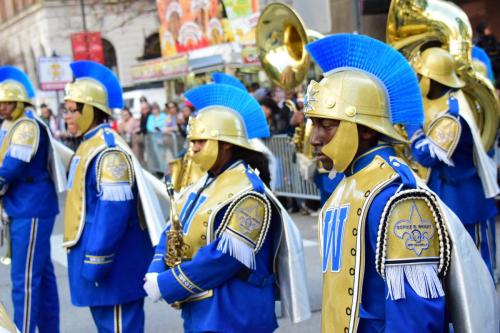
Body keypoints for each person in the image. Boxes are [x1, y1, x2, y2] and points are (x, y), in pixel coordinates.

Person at [304, 34, 456, 332]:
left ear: (368, 130)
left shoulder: (397, 197)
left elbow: (414, 317)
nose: (314, 138)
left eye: (326, 124)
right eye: (313, 124)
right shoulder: (351, 181)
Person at [143, 83, 310, 332]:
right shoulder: (206, 181)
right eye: (192, 141)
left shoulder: (249, 193)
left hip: (234, 315)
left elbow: (225, 258)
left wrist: (167, 283)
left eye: (200, 141)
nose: (193, 148)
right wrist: (156, 269)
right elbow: (173, 228)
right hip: (203, 309)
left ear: (226, 143)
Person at [62, 60, 163, 333]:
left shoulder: (109, 152)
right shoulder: (91, 144)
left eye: (72, 110)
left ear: (91, 111)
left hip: (111, 265)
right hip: (100, 264)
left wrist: (96, 261)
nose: (67, 117)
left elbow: (112, 214)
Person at [407, 47, 499, 273]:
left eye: (421, 76)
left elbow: (425, 155)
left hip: (465, 200)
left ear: (432, 78)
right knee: (455, 269)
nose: (418, 81)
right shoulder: (436, 103)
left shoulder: (454, 112)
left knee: (478, 267)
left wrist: (413, 129)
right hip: (445, 196)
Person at [0, 66, 65, 333]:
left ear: (20, 102)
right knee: (43, 277)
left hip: (31, 208)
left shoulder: (26, 126)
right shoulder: (15, 125)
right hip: (25, 207)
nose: (2, 108)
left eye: (7, 103)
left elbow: (11, 167)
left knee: (24, 279)